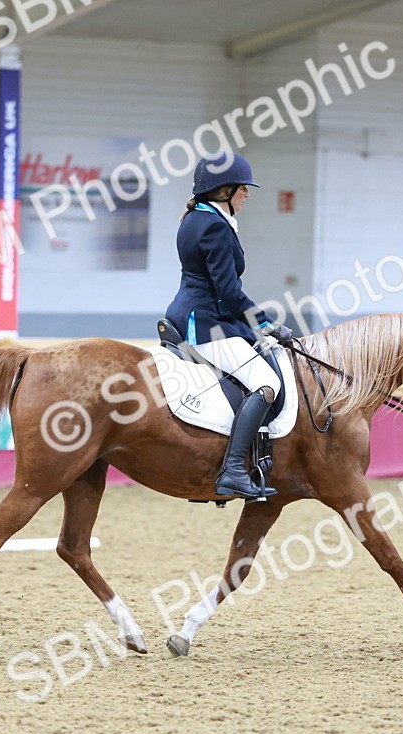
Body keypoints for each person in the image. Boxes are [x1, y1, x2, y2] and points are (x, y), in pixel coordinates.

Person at [164, 152, 294, 500]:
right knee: (266, 383)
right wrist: (265, 323)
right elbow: (229, 292)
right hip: (205, 324)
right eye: (243, 189)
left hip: (199, 313)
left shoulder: (196, 219)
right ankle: (234, 470)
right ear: (224, 191)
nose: (247, 195)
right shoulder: (213, 227)